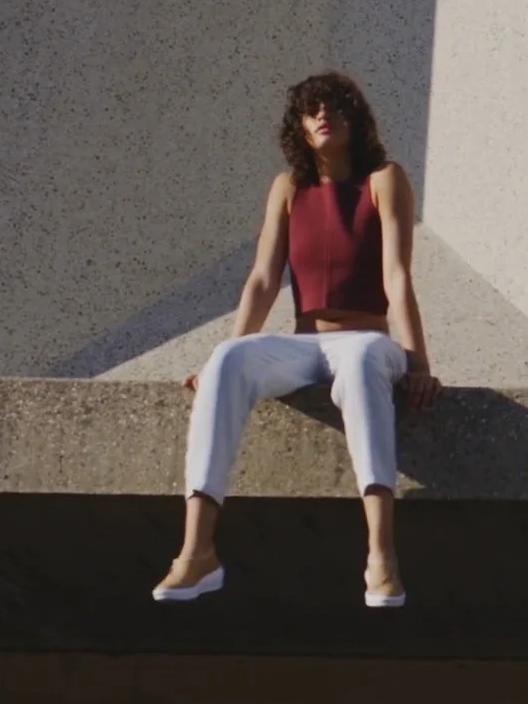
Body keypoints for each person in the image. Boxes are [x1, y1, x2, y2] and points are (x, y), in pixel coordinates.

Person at [151, 72, 441, 607]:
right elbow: (263, 279)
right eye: (312, 111)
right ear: (301, 129)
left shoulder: (384, 179)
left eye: (334, 107)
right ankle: (197, 553)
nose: (323, 115)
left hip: (368, 341)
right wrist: (224, 357)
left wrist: (418, 361)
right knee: (229, 358)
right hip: (304, 344)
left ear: (355, 120)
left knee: (356, 361)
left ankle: (382, 556)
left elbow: (397, 275)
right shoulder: (289, 189)